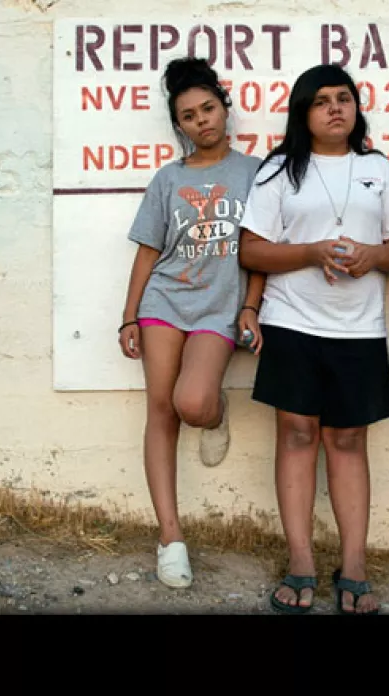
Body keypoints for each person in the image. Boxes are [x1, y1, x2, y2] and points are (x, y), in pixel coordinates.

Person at [238, 64, 389, 615]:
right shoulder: (279, 171)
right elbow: (252, 250)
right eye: (321, 101)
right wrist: (312, 252)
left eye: (344, 98)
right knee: (295, 436)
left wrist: (373, 257)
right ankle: (300, 562)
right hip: (292, 320)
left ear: (356, 109)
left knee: (348, 442)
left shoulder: (377, 169)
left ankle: (354, 564)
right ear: (303, 113)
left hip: (358, 328)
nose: (335, 108)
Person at [118, 57, 265, 590]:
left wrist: (250, 305)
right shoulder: (168, 179)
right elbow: (147, 253)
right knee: (160, 410)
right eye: (189, 115)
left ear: (225, 109)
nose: (202, 120)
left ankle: (217, 409)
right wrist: (128, 316)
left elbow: (261, 251)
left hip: (217, 306)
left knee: (192, 403)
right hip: (164, 299)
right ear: (178, 125)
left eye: (208, 108)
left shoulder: (255, 172)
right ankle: (170, 537)